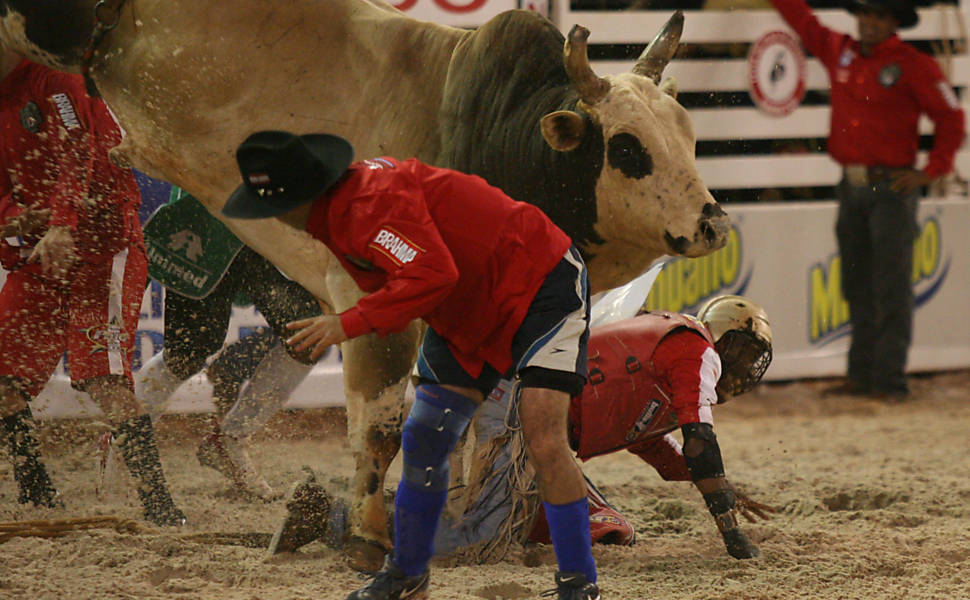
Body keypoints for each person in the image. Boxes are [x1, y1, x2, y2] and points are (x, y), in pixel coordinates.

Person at [223, 130, 598, 600]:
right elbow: (429, 275)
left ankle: (579, 583)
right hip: (464, 306)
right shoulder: (343, 208)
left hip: (538, 283)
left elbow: (432, 273)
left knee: (544, 438)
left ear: (300, 198)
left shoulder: (367, 207)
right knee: (425, 437)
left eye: (273, 206)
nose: (273, 218)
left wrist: (348, 324)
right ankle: (407, 575)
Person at [269, 295, 776, 563]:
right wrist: (731, 531)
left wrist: (717, 483)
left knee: (604, 526)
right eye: (746, 352)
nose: (745, 367)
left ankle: (402, 506)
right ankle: (336, 517)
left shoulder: (670, 350)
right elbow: (699, 440)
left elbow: (666, 451)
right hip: (525, 407)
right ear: (725, 338)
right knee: (481, 539)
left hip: (521, 396)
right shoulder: (696, 349)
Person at [0, 51, 184, 526]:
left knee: (103, 379)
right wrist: (13, 220)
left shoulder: (55, 78)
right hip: (40, 251)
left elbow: (80, 147)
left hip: (102, 247)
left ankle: (161, 508)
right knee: (3, 377)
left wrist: (61, 222)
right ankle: (38, 493)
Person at [768, 0, 965, 399]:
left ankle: (889, 379)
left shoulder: (913, 64)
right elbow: (802, 20)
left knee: (890, 285)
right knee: (857, 282)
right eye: (865, 13)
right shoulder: (840, 49)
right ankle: (862, 375)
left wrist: (931, 170)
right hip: (853, 185)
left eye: (878, 15)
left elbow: (951, 118)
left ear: (893, 22)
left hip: (891, 187)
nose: (870, 22)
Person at [134, 186, 322, 500]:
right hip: (207, 218)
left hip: (264, 228)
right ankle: (128, 438)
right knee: (187, 354)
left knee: (309, 332)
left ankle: (230, 439)